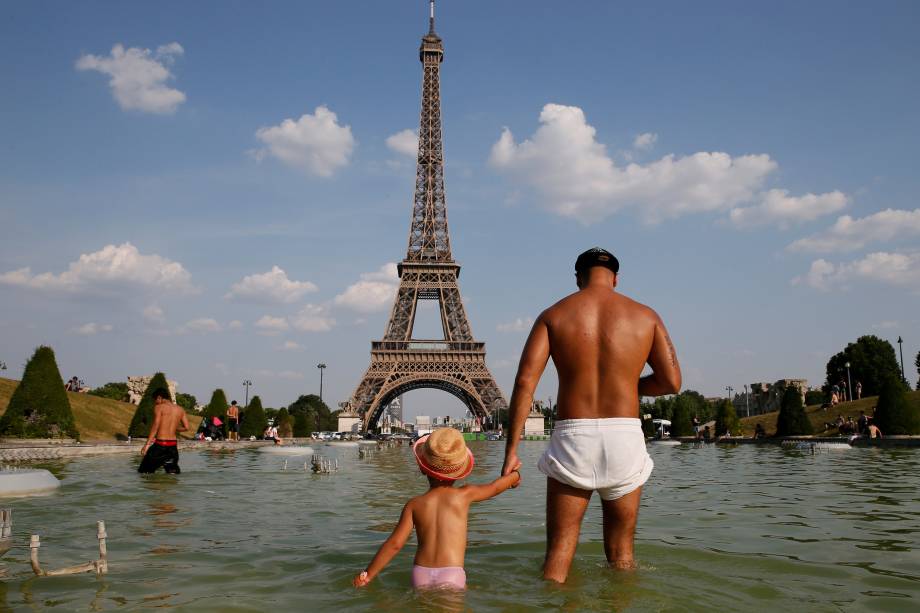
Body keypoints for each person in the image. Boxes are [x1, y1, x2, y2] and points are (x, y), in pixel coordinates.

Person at [501, 247, 681, 583]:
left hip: (574, 434)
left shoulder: (553, 315)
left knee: (559, 552)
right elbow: (672, 382)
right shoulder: (646, 315)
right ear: (615, 277)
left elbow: (525, 381)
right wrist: (630, 386)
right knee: (622, 554)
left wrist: (511, 451)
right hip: (625, 434)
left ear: (578, 277)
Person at [353, 428, 520, 589]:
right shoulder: (464, 495)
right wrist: (515, 476)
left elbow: (395, 544)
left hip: (421, 574)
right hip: (452, 574)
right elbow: (495, 487)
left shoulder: (414, 504)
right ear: (461, 470)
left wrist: (367, 575)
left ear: (421, 467)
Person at [138, 388, 189, 474]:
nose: (155, 402)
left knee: (143, 472)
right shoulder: (180, 409)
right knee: (172, 474)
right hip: (173, 447)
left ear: (159, 397)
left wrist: (147, 445)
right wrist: (174, 428)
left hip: (160, 446)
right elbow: (186, 427)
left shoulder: (159, 407)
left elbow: (155, 426)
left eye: (155, 400)